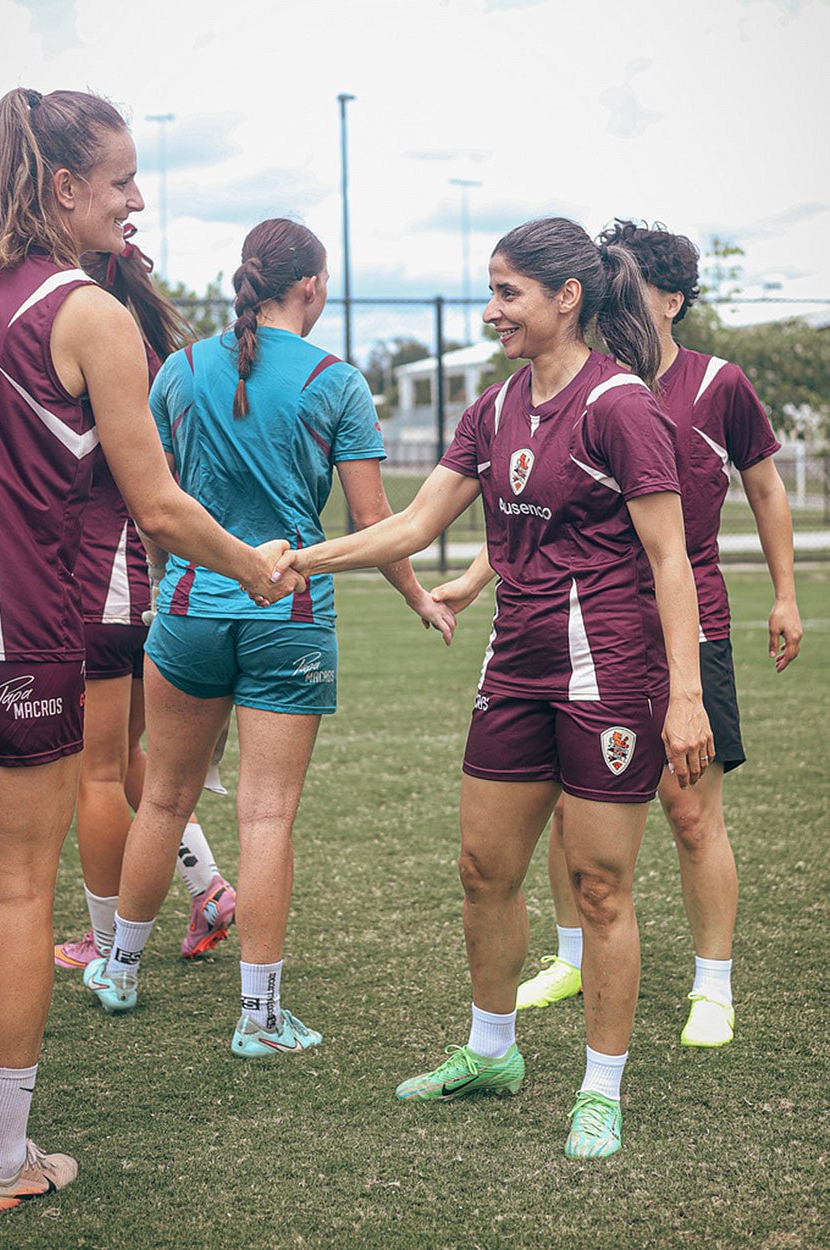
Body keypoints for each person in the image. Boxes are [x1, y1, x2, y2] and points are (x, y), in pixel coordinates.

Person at [0, 87, 301, 1216]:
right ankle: (2, 1163)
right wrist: (252, 564)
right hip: (10, 646)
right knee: (19, 890)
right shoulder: (93, 314)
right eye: (123, 178)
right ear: (62, 188)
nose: (138, 199)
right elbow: (160, 506)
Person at [272, 216, 712, 1157]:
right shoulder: (495, 410)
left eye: (508, 292)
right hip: (513, 670)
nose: (492, 310)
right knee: (484, 872)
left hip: (610, 678)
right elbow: (413, 524)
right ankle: (492, 1052)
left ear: (568, 298)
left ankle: (601, 1088)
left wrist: (686, 694)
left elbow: (670, 561)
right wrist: (304, 559)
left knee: (600, 888)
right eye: (491, 289)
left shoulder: (623, 406)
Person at [83, 217, 456, 1057]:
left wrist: (163, 593)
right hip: (288, 617)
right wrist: (419, 599)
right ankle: (258, 1019)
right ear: (314, 287)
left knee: (165, 800)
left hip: (183, 610)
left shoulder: (177, 370)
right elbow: (375, 524)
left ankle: (118, 969)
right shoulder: (336, 381)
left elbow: (156, 508)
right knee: (266, 815)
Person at [498, 221, 801, 1044]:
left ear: (672, 300)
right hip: (587, 628)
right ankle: (569, 956)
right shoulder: (583, 384)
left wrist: (785, 594)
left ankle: (713, 984)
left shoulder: (719, 386)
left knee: (691, 810)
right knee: (571, 807)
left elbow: (768, 492)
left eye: (632, 288)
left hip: (687, 620)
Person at [54, 231, 235, 973]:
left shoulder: (85, 341)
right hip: (147, 579)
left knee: (94, 770)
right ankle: (209, 887)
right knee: (129, 759)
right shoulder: (154, 353)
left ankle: (104, 941)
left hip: (105, 571)